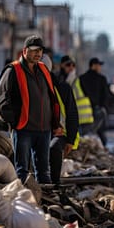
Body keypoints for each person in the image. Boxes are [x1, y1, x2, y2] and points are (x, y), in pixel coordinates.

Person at [0, 35, 60, 184]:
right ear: (24, 51)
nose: (37, 53)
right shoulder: (13, 70)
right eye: (34, 50)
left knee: (44, 171)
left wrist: (55, 122)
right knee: (22, 171)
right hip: (24, 129)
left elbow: (51, 96)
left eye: (40, 50)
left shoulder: (44, 70)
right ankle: (24, 203)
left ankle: (44, 203)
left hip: (44, 130)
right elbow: (1, 100)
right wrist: (15, 121)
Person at [42, 54, 79, 184]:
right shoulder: (29, 87)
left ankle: (54, 184)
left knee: (54, 149)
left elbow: (72, 114)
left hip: (58, 132)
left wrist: (70, 140)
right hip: (36, 131)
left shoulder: (62, 87)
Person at [78, 57, 109, 146]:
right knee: (100, 132)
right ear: (94, 66)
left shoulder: (81, 78)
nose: (100, 67)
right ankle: (101, 150)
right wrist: (104, 107)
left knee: (84, 133)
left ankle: (86, 150)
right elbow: (105, 95)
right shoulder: (101, 78)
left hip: (84, 112)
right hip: (98, 109)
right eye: (99, 65)